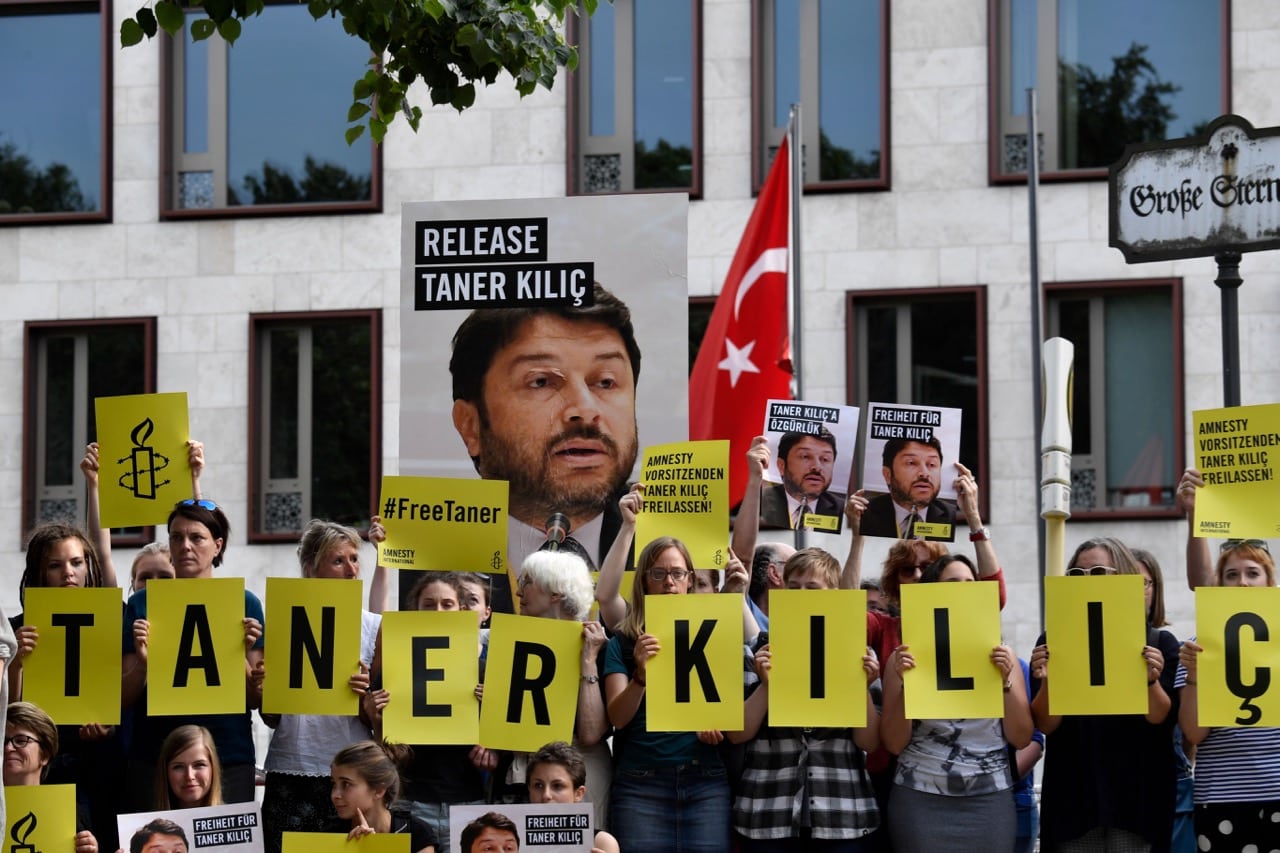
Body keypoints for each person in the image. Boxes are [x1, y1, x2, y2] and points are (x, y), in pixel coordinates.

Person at [448, 283, 641, 611]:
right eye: (541, 382)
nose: (585, 408)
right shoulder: (443, 564)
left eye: (606, 381)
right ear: (471, 425)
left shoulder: (667, 557)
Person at [1030, 536, 1179, 853]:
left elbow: (1159, 717)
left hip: (1135, 801)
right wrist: (1048, 681)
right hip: (1075, 799)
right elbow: (1045, 723)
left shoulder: (1159, 641)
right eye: (1077, 574)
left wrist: (1150, 680)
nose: (1087, 581)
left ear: (1123, 577)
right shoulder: (1052, 637)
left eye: (1098, 572)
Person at [729, 548, 883, 851]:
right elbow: (738, 733)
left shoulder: (858, 654)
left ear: (833, 594)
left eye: (812, 588)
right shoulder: (757, 651)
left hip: (842, 814)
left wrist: (862, 687)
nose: (801, 595)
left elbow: (869, 742)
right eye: (793, 587)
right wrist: (767, 685)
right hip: (767, 814)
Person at [882, 554, 1032, 853]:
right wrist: (905, 682)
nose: (964, 590)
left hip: (989, 799)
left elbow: (1021, 736)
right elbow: (894, 743)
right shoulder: (904, 658)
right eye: (953, 583)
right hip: (919, 796)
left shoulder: (1002, 655)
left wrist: (1005, 680)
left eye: (970, 583)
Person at [121, 498, 265, 808]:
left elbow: (257, 700)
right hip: (156, 754)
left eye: (196, 537)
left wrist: (240, 653)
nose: (185, 546)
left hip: (228, 753)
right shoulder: (141, 604)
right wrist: (144, 665)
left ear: (217, 546)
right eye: (176, 537)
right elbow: (124, 697)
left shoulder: (245, 603)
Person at [602, 535, 731, 852]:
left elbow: (727, 713)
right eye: (658, 573)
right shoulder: (624, 641)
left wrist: (717, 728)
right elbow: (618, 717)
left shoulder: (716, 633)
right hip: (640, 784)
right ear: (644, 581)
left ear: (690, 580)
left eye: (677, 573)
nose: (669, 582)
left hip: (705, 779)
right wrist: (640, 678)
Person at [260, 519, 381, 853]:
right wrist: (264, 688)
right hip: (291, 767)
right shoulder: (285, 618)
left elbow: (380, 720)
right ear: (310, 568)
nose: (351, 569)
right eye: (338, 560)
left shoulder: (374, 627)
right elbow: (272, 716)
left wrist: (363, 697)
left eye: (355, 559)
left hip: (351, 772)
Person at [9, 520, 123, 848]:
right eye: (55, 566)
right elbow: (10, 710)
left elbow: (123, 694)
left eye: (76, 563)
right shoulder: (17, 629)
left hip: (98, 765)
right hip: (38, 769)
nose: (68, 573)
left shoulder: (110, 619)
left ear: (89, 567)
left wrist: (109, 727)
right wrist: (16, 662)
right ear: (39, 573)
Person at [365, 573, 494, 853]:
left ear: (461, 610)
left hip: (467, 801)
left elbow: (502, 739)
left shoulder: (486, 667)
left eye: (447, 604)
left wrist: (492, 735)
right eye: (429, 604)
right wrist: (374, 717)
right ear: (415, 611)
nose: (438, 611)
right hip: (411, 801)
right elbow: (383, 743)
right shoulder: (396, 662)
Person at [1175, 539, 1280, 850]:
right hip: (1221, 797)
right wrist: (1194, 675)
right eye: (1232, 575)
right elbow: (1193, 734)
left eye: (1252, 572)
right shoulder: (1199, 645)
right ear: (1218, 584)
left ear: (1270, 582)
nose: (1243, 582)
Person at [505, 551, 610, 828]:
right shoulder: (510, 641)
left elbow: (590, 733)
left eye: (527, 582)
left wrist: (587, 661)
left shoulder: (597, 644)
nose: (518, 591)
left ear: (555, 593)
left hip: (581, 772)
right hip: (527, 774)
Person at [4, 701, 98, 853]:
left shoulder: (68, 812)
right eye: (2, 741)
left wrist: (89, 849)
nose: (8, 748)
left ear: (45, 755)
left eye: (21, 740)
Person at [329, 740, 437, 853]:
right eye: (334, 784)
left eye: (346, 784)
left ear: (379, 790)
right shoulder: (330, 835)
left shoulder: (416, 834)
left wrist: (375, 847)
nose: (335, 795)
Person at [526, 741, 620, 853]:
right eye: (538, 785)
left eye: (557, 786)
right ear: (529, 789)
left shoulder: (601, 843)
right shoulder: (509, 841)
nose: (546, 795)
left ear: (578, 793)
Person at [859, 437, 957, 541]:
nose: (924, 473)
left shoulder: (951, 516)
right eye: (911, 463)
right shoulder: (864, 515)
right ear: (887, 475)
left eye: (932, 464)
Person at [759, 428, 846, 530]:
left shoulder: (842, 510)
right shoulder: (759, 503)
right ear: (781, 465)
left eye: (825, 459)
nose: (817, 467)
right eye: (805, 456)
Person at [155, 724, 223, 809]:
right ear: (165, 772)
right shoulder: (142, 821)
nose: (189, 776)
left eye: (199, 765)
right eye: (179, 767)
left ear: (213, 768)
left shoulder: (235, 820)